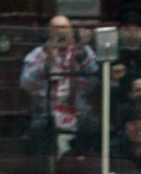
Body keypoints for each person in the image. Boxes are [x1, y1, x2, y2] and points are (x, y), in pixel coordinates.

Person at [19, 16, 99, 156]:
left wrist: (81, 55)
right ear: (49, 32)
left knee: (94, 126)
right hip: (47, 114)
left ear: (71, 31)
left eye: (64, 27)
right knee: (38, 129)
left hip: (78, 113)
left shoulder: (83, 50)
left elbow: (95, 80)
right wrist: (46, 65)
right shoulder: (38, 53)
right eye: (56, 28)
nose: (61, 31)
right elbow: (25, 83)